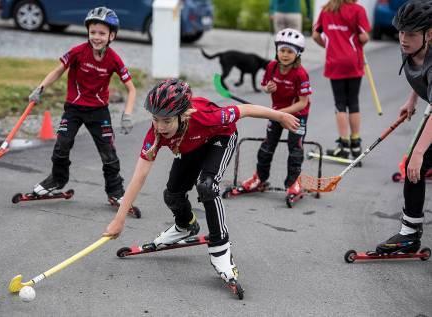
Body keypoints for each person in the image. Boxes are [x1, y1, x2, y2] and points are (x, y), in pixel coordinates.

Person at [104, 79, 299, 284]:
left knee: (207, 186)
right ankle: (185, 226)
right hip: (190, 144)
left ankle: (220, 249)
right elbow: (139, 176)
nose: (160, 127)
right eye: (155, 119)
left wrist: (281, 116)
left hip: (220, 138)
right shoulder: (156, 134)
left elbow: (247, 109)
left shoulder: (208, 116)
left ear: (184, 114)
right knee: (172, 194)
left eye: (167, 121)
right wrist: (119, 219)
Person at [30, 7, 136, 206]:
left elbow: (131, 89)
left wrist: (127, 114)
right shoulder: (78, 52)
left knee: (108, 153)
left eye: (102, 33)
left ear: (111, 35)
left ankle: (115, 191)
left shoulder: (114, 59)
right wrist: (40, 88)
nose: (96, 37)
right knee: (62, 144)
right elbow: (58, 71)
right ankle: (57, 179)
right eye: (93, 32)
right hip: (74, 109)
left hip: (99, 111)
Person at [376, 0, 432, 254]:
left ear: (429, 34)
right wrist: (411, 100)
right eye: (401, 32)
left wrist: (419, 153)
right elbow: (418, 75)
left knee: (416, 161)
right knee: (413, 169)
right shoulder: (411, 48)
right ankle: (409, 235)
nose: (403, 39)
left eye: (410, 33)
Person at [241, 28, 311, 197]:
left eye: (289, 52)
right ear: (277, 51)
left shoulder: (301, 73)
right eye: (282, 50)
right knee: (267, 146)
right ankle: (260, 178)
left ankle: (293, 182)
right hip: (276, 112)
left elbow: (303, 103)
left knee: (295, 149)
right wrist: (267, 88)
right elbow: (264, 86)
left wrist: (280, 114)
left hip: (297, 115)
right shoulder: (272, 67)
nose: (285, 55)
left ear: (297, 54)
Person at [312, 0, 370, 159]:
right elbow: (364, 37)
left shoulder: (326, 10)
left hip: (334, 60)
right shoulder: (357, 9)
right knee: (353, 101)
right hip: (353, 60)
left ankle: (343, 145)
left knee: (340, 103)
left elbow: (316, 35)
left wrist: (329, 46)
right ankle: (356, 143)